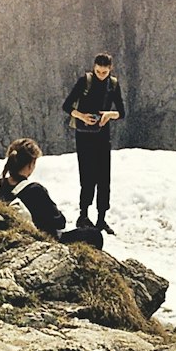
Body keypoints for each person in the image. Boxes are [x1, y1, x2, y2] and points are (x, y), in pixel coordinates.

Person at [0, 137, 103, 249]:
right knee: (94, 235)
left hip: (9, 239)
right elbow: (59, 222)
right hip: (42, 241)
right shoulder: (35, 190)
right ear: (30, 165)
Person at [62, 51, 125, 235]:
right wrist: (82, 115)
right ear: (94, 68)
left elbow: (121, 111)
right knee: (87, 176)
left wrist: (109, 115)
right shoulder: (85, 81)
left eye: (104, 72)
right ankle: (83, 214)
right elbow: (67, 106)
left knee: (104, 177)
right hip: (84, 135)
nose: (101, 75)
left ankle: (101, 218)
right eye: (98, 71)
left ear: (110, 70)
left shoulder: (113, 85)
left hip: (103, 135)